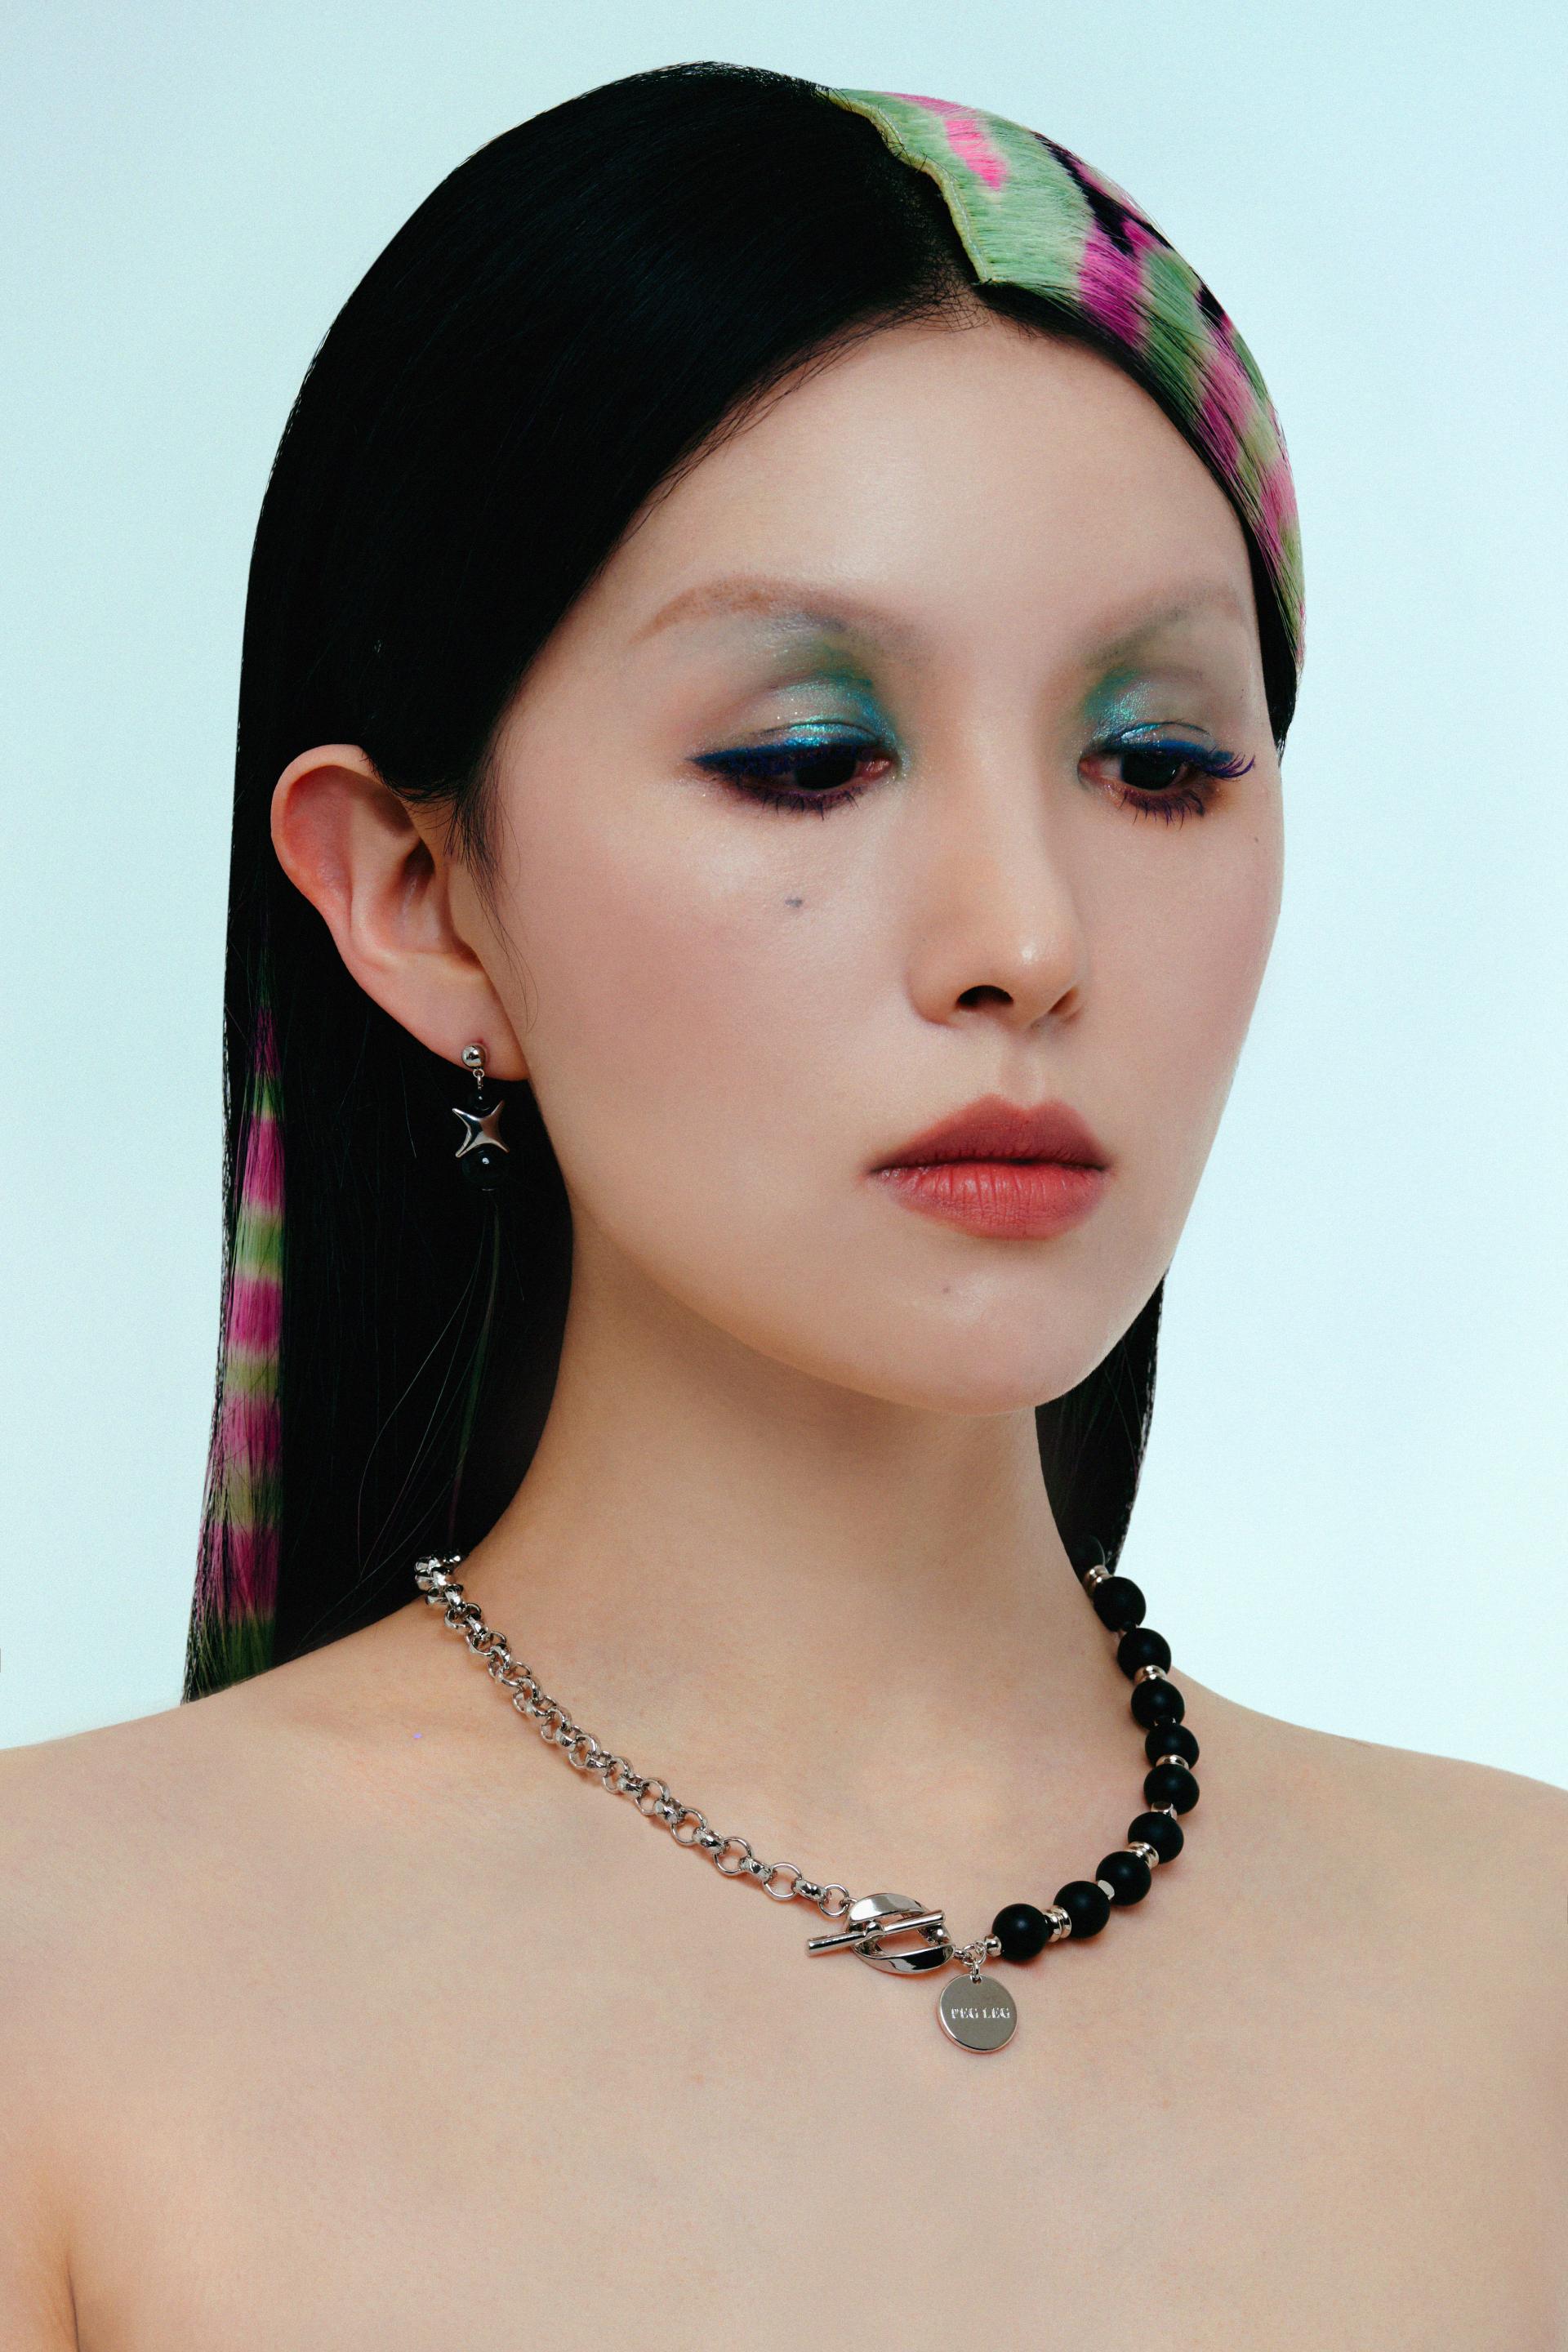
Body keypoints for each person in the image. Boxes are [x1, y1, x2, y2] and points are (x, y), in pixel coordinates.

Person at [2, 62, 1561, 2347]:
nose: (1025, 935)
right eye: (808, 758)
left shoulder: (1531, 1980)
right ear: (420, 894)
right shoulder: (55, 1993)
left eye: (1159, 762)